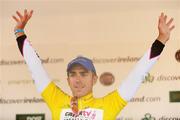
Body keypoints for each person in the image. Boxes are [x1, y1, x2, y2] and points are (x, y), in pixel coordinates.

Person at [12, 9, 175, 120]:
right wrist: (19, 32)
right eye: (73, 74)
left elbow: (137, 76)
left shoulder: (108, 105)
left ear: (94, 78)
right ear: (67, 80)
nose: (78, 79)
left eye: (84, 73)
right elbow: (35, 68)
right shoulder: (56, 99)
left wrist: (161, 40)